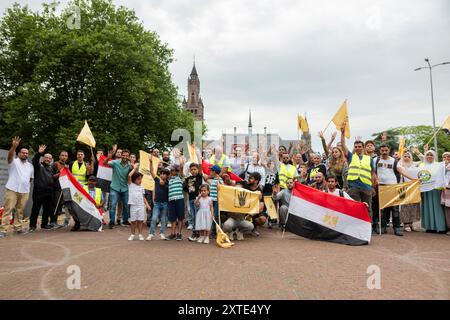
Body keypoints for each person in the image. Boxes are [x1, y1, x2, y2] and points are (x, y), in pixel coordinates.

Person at [375, 144, 416, 236]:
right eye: (382, 150)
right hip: (381, 187)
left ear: (389, 150)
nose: (384, 152)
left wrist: (413, 179)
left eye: (386, 150)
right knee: (382, 209)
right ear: (379, 151)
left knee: (395, 209)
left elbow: (402, 171)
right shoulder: (376, 160)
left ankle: (397, 227)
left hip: (393, 187)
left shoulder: (394, 161)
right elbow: (373, 172)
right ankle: (383, 227)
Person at [340, 123, 376, 224]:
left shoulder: (369, 159)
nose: (357, 148)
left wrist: (372, 186)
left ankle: (368, 226)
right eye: (356, 146)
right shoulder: (351, 156)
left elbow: (372, 174)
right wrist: (342, 133)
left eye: (359, 146)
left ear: (363, 147)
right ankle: (353, 226)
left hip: (366, 187)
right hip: (353, 186)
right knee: (353, 207)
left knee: (367, 207)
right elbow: (342, 145)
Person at [0, 137, 34, 238]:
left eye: (26, 153)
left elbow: (30, 178)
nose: (25, 154)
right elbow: (10, 156)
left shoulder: (30, 166)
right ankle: (3, 229)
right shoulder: (14, 162)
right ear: (19, 153)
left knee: (20, 210)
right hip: (12, 189)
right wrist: (14, 147)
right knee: (8, 209)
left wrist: (25, 184)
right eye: (23, 153)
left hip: (24, 191)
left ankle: (18, 227)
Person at [418, 150, 446, 233]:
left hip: (436, 189)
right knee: (427, 207)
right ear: (425, 156)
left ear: (434, 156)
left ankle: (440, 227)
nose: (429, 156)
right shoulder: (421, 165)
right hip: (425, 189)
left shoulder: (439, 165)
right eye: (427, 155)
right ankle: (429, 227)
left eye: (431, 155)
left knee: (437, 207)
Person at [104, 145, 132, 229]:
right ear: (121, 155)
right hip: (114, 187)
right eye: (123, 155)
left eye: (127, 156)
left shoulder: (130, 165)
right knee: (112, 205)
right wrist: (108, 157)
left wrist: (133, 165)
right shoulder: (115, 162)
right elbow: (104, 163)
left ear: (128, 157)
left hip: (125, 188)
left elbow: (135, 172)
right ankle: (112, 221)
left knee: (126, 205)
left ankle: (125, 220)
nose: (125, 157)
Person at [29, 144, 55, 232]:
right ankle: (32, 225)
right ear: (43, 158)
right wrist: (39, 153)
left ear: (51, 160)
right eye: (46, 157)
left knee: (47, 209)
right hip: (39, 191)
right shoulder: (38, 165)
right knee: (36, 208)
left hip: (49, 191)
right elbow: (34, 161)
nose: (48, 159)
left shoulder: (51, 168)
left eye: (49, 158)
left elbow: (52, 178)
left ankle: (44, 224)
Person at [399, 151, 421, 232]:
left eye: (408, 156)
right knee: (405, 205)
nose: (407, 157)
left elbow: (424, 160)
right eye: (405, 156)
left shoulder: (415, 164)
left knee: (414, 205)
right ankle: (405, 224)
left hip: (414, 188)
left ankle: (411, 223)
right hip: (403, 187)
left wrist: (418, 153)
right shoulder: (400, 164)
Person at [147, 162, 169, 241]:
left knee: (163, 219)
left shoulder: (168, 183)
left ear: (167, 176)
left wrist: (165, 184)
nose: (162, 175)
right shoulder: (156, 179)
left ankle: (162, 233)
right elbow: (151, 171)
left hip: (165, 203)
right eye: (161, 173)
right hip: (157, 203)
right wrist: (151, 162)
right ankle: (151, 234)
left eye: (164, 174)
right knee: (154, 218)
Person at [127, 166, 150, 241]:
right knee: (133, 221)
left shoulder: (142, 187)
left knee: (140, 221)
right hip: (133, 206)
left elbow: (143, 197)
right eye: (138, 179)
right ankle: (132, 234)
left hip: (141, 206)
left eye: (141, 179)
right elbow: (129, 175)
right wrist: (135, 168)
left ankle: (140, 234)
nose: (140, 181)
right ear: (134, 180)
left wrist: (147, 205)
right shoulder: (131, 185)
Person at [183, 163, 203, 240]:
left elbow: (200, 167)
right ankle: (195, 232)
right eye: (192, 170)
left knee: (197, 216)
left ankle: (197, 233)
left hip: (197, 199)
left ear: (198, 170)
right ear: (189, 170)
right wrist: (184, 183)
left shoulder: (199, 176)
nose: (193, 171)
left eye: (195, 169)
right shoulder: (188, 179)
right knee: (193, 216)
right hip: (191, 199)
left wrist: (199, 157)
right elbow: (186, 189)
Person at [243, 172, 266, 236]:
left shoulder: (259, 191)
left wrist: (250, 215)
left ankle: (254, 227)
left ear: (256, 181)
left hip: (254, 211)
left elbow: (261, 208)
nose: (248, 179)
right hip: (244, 208)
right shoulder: (245, 185)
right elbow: (234, 183)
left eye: (251, 178)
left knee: (263, 219)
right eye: (248, 177)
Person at [51, 150, 70, 227]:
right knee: (54, 205)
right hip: (56, 188)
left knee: (59, 206)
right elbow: (52, 176)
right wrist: (62, 171)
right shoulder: (55, 164)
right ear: (59, 156)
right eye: (62, 155)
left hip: (63, 188)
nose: (64, 157)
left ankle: (55, 221)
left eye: (65, 156)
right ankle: (52, 221)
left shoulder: (67, 166)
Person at [203, 165, 223, 238]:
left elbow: (220, 188)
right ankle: (214, 231)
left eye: (211, 171)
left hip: (217, 201)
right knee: (212, 216)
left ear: (215, 172)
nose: (210, 172)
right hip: (212, 201)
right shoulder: (214, 179)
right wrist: (206, 180)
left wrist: (219, 183)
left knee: (215, 216)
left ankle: (216, 232)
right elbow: (212, 185)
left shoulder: (219, 179)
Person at [166, 164, 185, 241]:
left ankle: (179, 234)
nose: (171, 172)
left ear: (176, 171)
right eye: (170, 170)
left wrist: (180, 166)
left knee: (180, 217)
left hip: (179, 199)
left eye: (172, 170)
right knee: (172, 218)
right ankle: (173, 233)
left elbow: (181, 170)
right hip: (171, 200)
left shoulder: (180, 177)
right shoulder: (169, 180)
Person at [441, 151, 450, 234]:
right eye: (444, 157)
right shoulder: (441, 168)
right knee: (447, 210)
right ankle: (449, 228)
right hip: (445, 192)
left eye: (448, 157)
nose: (446, 159)